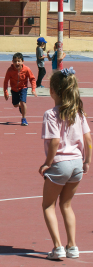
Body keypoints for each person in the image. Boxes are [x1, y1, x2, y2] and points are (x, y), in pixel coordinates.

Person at [39, 68, 92, 260]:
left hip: (60, 163)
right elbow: (88, 139)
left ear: (53, 91)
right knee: (67, 205)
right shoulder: (78, 113)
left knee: (48, 205)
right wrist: (87, 161)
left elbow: (54, 141)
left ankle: (58, 247)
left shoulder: (51, 114)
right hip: (77, 163)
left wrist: (47, 163)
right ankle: (73, 246)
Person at [3, 53, 37, 126]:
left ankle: (24, 119)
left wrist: (33, 89)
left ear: (22, 61)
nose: (17, 63)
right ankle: (19, 106)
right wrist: (6, 92)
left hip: (23, 88)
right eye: (15, 61)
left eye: (19, 61)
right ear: (12, 62)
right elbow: (6, 81)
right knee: (15, 105)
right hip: (14, 89)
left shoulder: (27, 69)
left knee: (23, 102)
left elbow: (32, 79)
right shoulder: (10, 70)